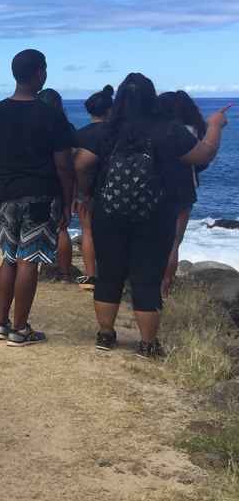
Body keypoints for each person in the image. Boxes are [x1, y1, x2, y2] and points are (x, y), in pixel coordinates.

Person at [74, 74, 228, 356]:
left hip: (109, 212)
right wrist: (215, 125)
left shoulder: (105, 131)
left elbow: (80, 166)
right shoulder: (170, 129)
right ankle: (148, 344)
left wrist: (88, 194)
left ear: (118, 100)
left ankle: (105, 335)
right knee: (146, 279)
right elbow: (204, 156)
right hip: (157, 214)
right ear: (152, 98)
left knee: (109, 274)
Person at [0, 50, 74, 344]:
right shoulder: (52, 114)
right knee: (28, 261)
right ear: (40, 74)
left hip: (6, 194)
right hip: (41, 194)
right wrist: (68, 200)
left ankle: (0, 323)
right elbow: (63, 163)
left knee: (8, 258)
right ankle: (20, 330)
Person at [157, 90, 209, 296]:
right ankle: (164, 290)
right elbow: (201, 163)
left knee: (151, 240)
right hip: (183, 190)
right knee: (173, 243)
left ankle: (145, 286)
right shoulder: (192, 131)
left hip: (154, 189)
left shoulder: (156, 128)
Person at [72, 86, 114, 290]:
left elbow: (74, 168)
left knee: (87, 233)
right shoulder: (114, 134)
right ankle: (111, 275)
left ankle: (91, 277)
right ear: (109, 110)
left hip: (85, 189)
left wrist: (73, 195)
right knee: (111, 234)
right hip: (113, 189)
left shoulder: (79, 135)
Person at [39, 88, 76, 283]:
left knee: (32, 227)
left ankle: (29, 266)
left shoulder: (32, 124)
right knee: (61, 228)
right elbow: (70, 162)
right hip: (60, 181)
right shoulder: (66, 126)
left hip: (36, 179)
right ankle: (64, 273)